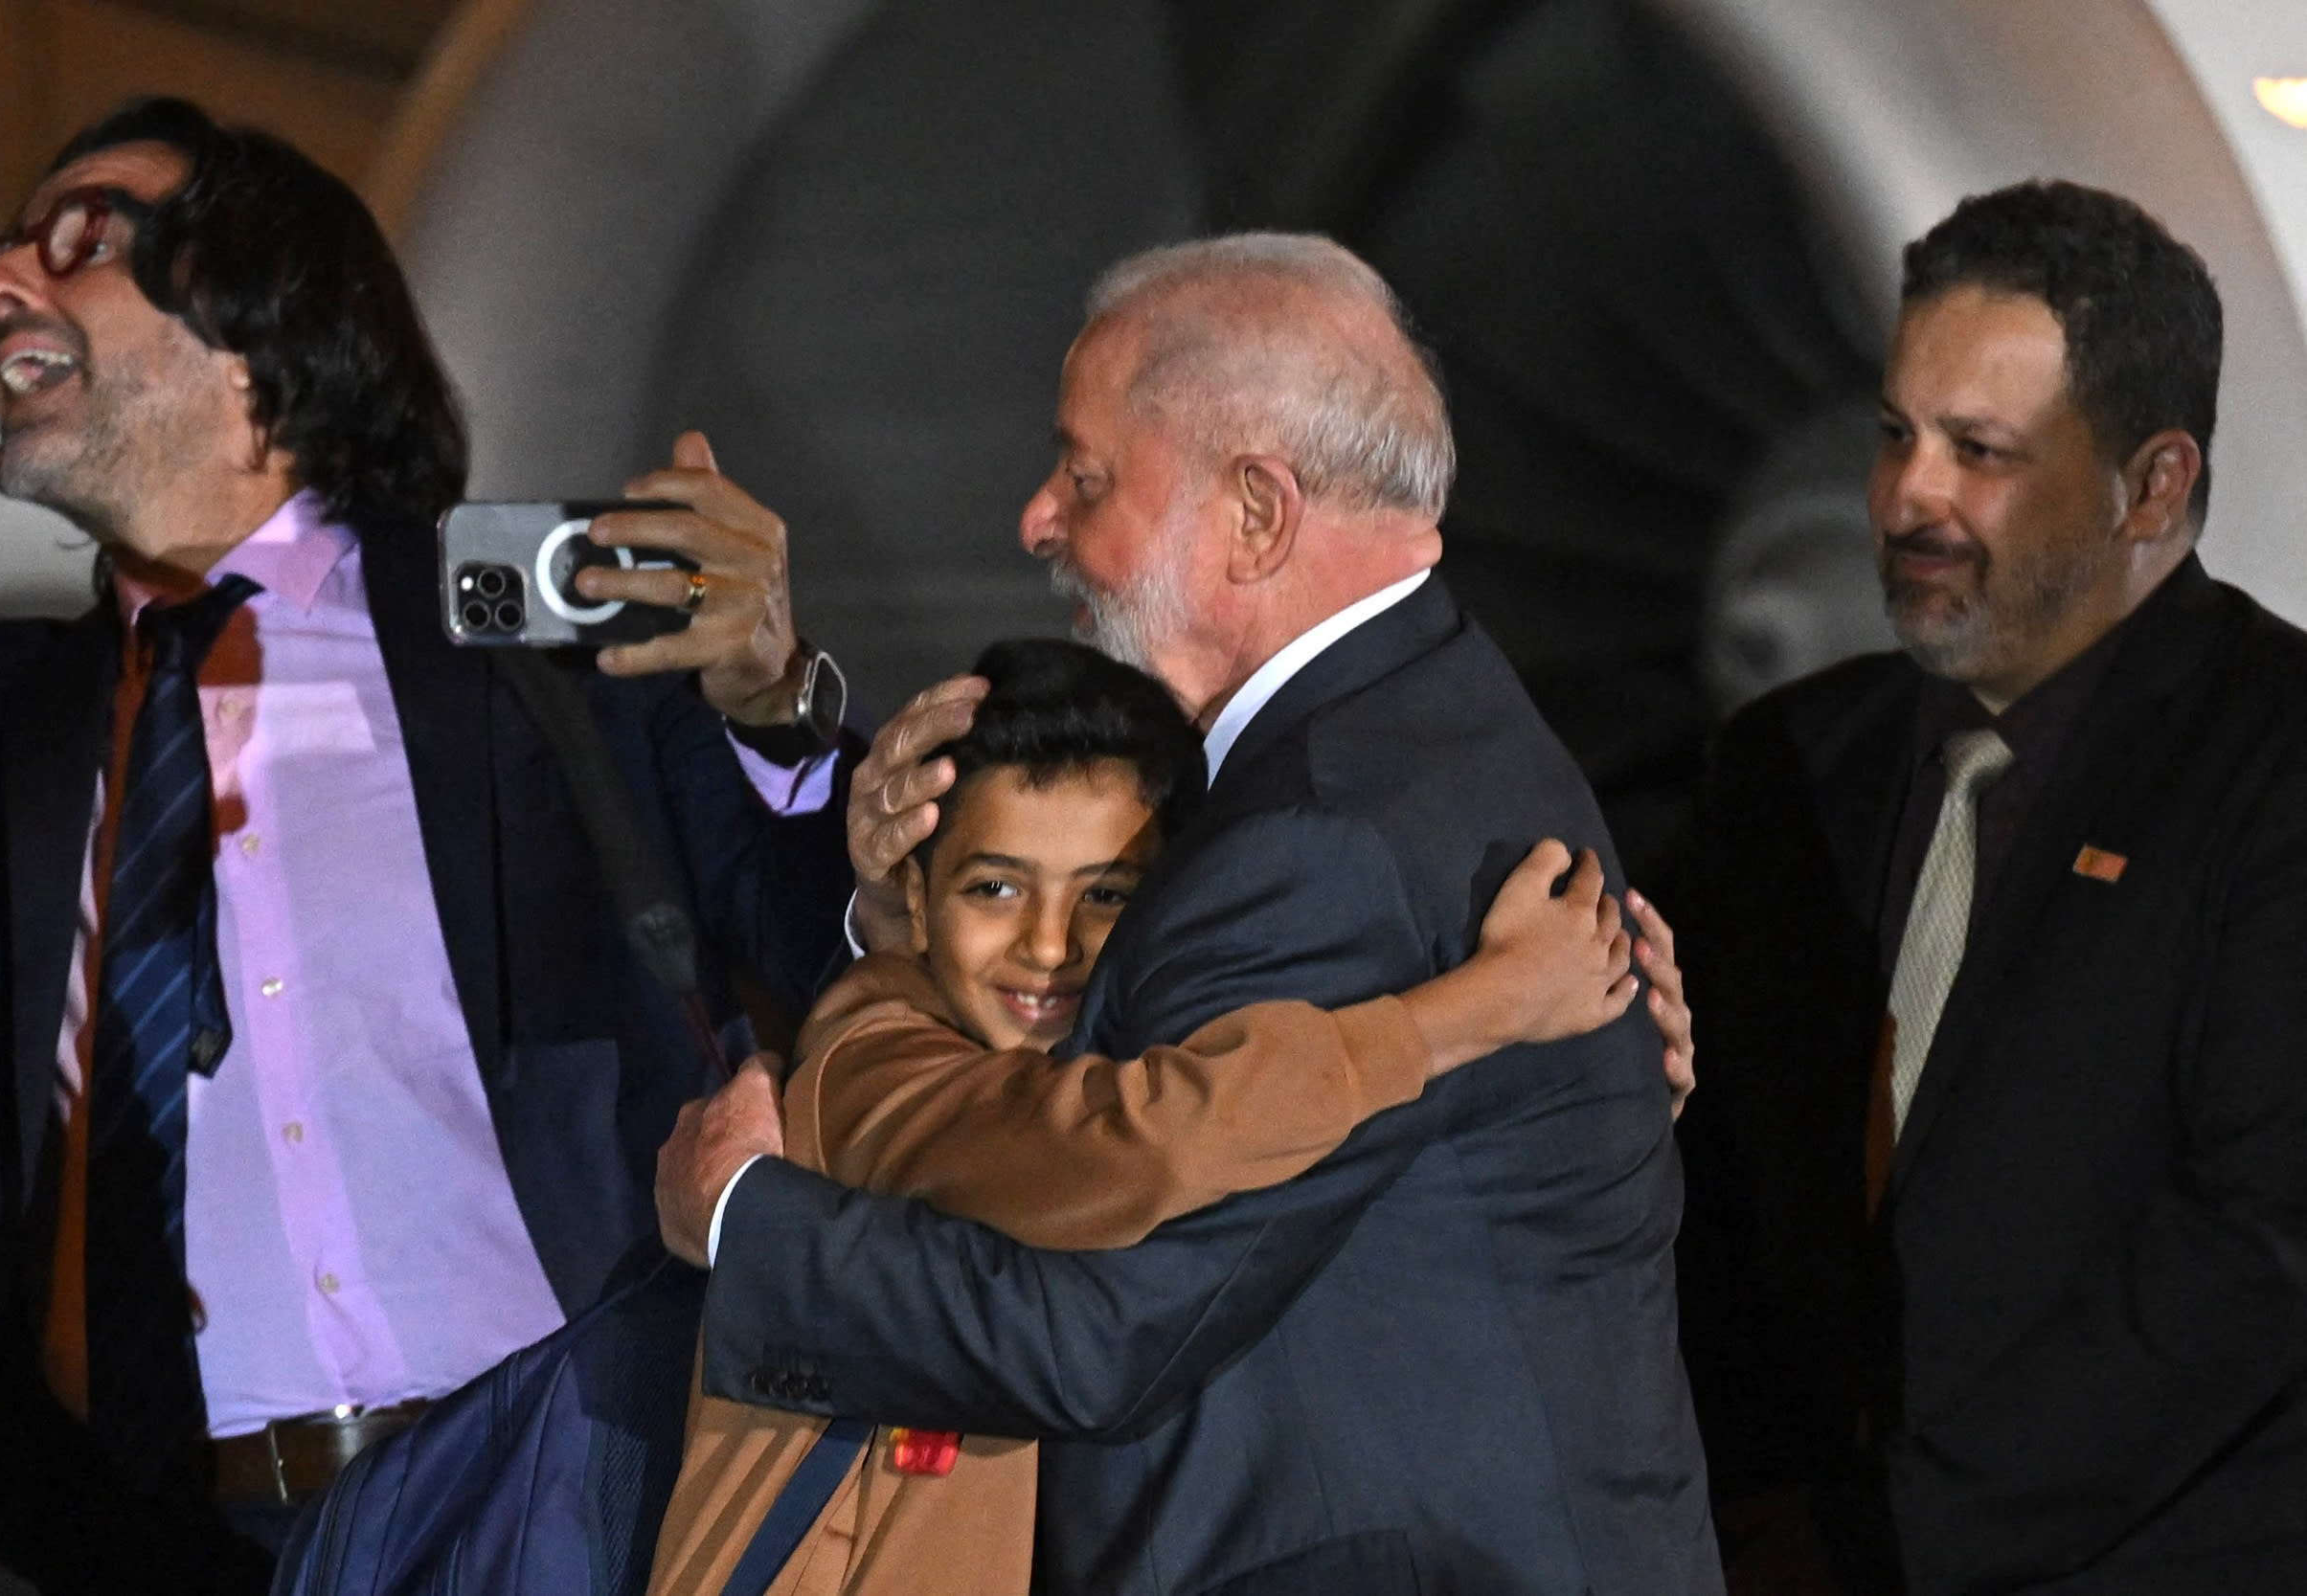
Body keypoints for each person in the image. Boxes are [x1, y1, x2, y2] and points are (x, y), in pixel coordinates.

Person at [656, 234, 1720, 1595]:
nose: (1038, 519)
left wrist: (749, 1221)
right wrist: (888, 916)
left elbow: (1098, 1331)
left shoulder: (1322, 836)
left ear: (1257, 514)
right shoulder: (1421, 728)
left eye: (1086, 473)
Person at [0, 98, 854, 1592]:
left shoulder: (538, 618)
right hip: (142, 1543)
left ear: (260, 312)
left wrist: (780, 709)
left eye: (80, 234)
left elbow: (843, 950)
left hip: (565, 1492)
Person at [648, 635, 1676, 1595]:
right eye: (996, 887)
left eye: (1105, 896)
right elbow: (1131, 1140)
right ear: (913, 904)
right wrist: (1473, 1014)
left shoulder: (1112, 1048)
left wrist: (1590, 1087)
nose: (1047, 946)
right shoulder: (874, 1059)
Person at [1677, 180, 2307, 1595]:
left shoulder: (2280, 766)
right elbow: (1702, 1185)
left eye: (1982, 450)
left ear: (2154, 483)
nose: (1911, 497)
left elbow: (2259, 1249)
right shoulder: (1792, 762)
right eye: (1898, 435)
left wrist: (1888, 1538)